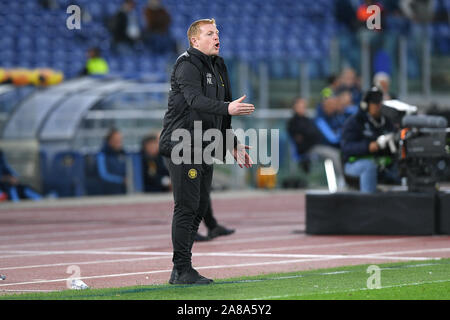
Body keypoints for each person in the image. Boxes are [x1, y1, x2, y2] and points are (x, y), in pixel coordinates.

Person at [159, 18, 255, 285]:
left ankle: (181, 269)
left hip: (205, 144)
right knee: (187, 206)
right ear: (194, 40)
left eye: (217, 33)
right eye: (210, 33)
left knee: (200, 205)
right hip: (182, 143)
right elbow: (196, 101)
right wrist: (227, 109)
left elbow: (223, 111)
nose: (216, 37)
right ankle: (182, 269)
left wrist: (232, 143)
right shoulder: (186, 65)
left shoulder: (219, 65)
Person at [341, 86, 401, 193]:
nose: (378, 107)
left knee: (401, 163)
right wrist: (368, 146)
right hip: (354, 163)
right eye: (375, 104)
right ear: (366, 105)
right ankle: (368, 201)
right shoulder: (355, 122)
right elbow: (346, 148)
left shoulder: (386, 122)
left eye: (380, 103)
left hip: (381, 161)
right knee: (369, 166)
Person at [288, 97, 345, 188]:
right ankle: (342, 179)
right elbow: (304, 138)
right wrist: (309, 136)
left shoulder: (307, 120)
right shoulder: (293, 122)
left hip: (316, 146)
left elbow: (314, 134)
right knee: (334, 154)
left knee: (337, 152)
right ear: (294, 107)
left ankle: (343, 179)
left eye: (303, 106)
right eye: (300, 106)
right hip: (308, 150)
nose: (302, 108)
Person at [96, 128, 127, 195]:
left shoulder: (123, 154)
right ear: (109, 140)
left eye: (120, 139)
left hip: (123, 191)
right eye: (116, 139)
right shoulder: (102, 154)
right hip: (107, 192)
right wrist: (121, 180)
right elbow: (103, 175)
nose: (119, 142)